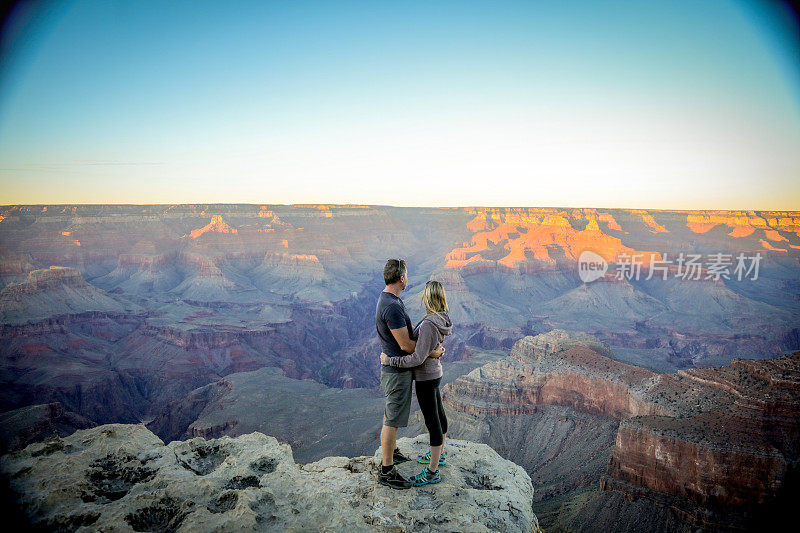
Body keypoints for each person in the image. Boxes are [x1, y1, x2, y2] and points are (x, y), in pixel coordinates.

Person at [375, 259, 444, 489]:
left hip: (399, 369)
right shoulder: (392, 306)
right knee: (392, 418)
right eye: (407, 275)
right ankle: (387, 470)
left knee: (391, 414)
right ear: (402, 278)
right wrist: (432, 352)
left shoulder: (391, 300)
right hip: (396, 370)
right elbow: (406, 346)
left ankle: (392, 453)